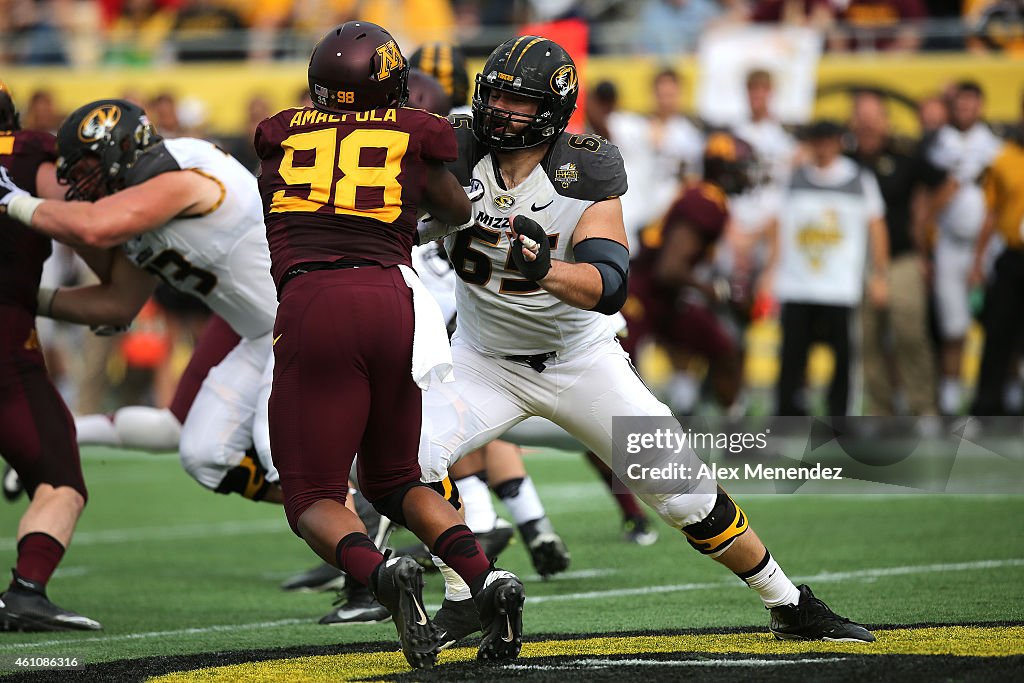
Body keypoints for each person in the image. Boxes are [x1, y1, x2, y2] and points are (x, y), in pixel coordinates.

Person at [414, 36, 874, 647]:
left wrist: (544, 269)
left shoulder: (584, 170)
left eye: (517, 101)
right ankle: (463, 590)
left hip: (580, 360)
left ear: (552, 109)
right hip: (483, 359)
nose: (500, 110)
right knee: (406, 457)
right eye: (494, 95)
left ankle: (788, 602)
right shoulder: (452, 148)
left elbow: (609, 283)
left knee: (684, 494)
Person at [254, 22, 524, 668]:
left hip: (316, 300)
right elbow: (454, 209)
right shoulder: (413, 130)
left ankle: (381, 573)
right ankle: (485, 579)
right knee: (399, 476)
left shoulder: (278, 132)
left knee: (313, 494)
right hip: (395, 301)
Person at [0, 98, 284, 505]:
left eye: (86, 171)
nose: (80, 187)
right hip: (260, 331)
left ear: (119, 151)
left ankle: (358, 537)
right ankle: (350, 520)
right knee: (206, 453)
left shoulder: (180, 172)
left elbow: (94, 229)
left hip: (301, 314)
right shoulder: (138, 212)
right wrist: (21, 296)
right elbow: (116, 305)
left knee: (281, 449)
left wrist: (12, 200)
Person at [0, 82, 101, 631]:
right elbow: (83, 220)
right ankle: (27, 589)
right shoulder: (30, 152)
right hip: (6, 339)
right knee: (58, 476)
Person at [763, 120, 890, 416]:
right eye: (816, 140)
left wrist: (879, 274)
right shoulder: (794, 177)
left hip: (840, 286)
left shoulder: (859, 178)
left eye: (827, 140)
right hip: (797, 283)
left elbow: (877, 226)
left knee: (844, 358)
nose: (822, 146)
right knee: (792, 356)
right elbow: (778, 224)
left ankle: (840, 419)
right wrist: (771, 270)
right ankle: (786, 415)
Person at [846, 90, 944, 416]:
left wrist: (924, 222)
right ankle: (880, 409)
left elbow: (945, 183)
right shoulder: (846, 161)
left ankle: (923, 408)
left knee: (909, 335)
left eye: (874, 118)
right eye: (862, 118)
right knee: (866, 341)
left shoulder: (904, 156)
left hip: (901, 259)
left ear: (885, 122)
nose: (868, 125)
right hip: (855, 264)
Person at [924, 81, 1003, 415]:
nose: (966, 109)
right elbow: (925, 199)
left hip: (989, 246)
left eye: (972, 103)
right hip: (950, 245)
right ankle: (950, 400)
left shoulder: (995, 146)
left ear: (981, 106)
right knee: (953, 327)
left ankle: (1003, 396)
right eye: (961, 103)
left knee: (999, 326)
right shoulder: (938, 144)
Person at [970, 96, 1024, 415]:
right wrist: (978, 262)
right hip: (1014, 257)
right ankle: (987, 406)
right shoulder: (1004, 157)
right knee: (999, 332)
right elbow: (990, 213)